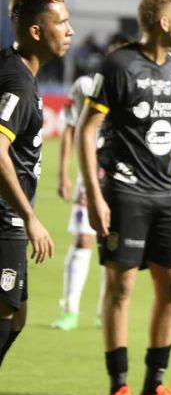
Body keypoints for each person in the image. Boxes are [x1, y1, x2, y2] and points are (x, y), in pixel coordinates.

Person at [78, 0, 171, 395]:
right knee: (123, 286)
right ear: (163, 22)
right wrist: (95, 195)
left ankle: (155, 385)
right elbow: (85, 130)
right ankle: (119, 386)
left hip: (165, 194)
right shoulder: (118, 64)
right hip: (125, 192)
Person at [0, 0, 71, 395]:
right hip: (3, 221)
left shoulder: (19, 70)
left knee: (17, 316)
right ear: (35, 30)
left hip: (8, 222)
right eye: (61, 23)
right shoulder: (16, 83)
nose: (70, 30)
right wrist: (28, 215)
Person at [51, 33, 131, 331]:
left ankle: (103, 311)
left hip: (124, 176)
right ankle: (69, 309)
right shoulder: (87, 86)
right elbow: (71, 129)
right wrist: (63, 172)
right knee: (84, 239)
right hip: (92, 174)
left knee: (114, 244)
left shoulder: (136, 84)